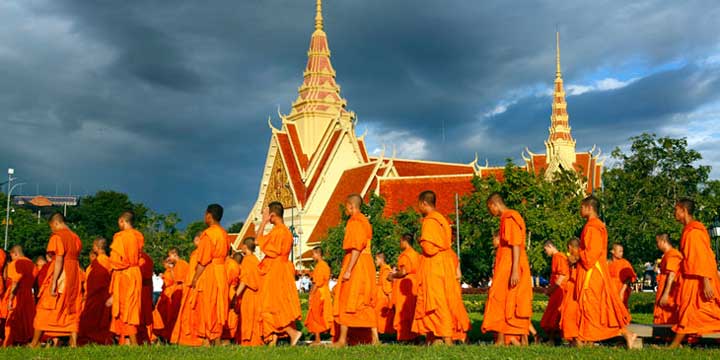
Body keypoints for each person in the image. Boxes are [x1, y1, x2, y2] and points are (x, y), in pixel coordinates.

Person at [575, 196, 636, 348]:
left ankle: (625, 333)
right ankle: (587, 339)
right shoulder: (594, 226)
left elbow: (591, 255)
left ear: (589, 208)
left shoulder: (593, 227)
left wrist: (577, 254)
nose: (580, 210)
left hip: (592, 273)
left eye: (582, 207)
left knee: (592, 306)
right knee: (594, 307)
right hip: (594, 272)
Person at [413, 190, 469, 345]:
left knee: (437, 303)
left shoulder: (430, 221)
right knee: (441, 300)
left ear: (424, 203)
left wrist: (422, 242)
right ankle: (436, 337)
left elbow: (430, 249)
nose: (418, 208)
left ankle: (447, 338)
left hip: (435, 265)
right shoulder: (442, 220)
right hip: (445, 264)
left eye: (418, 204)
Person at [482, 193, 532, 346]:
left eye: (489, 208)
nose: (490, 212)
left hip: (511, 265)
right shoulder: (506, 218)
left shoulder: (510, 217)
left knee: (509, 300)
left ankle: (516, 339)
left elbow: (515, 244)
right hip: (506, 264)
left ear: (493, 205)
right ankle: (503, 338)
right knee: (503, 300)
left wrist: (515, 269)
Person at [670, 198, 720, 347]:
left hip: (698, 279)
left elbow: (702, 257)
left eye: (676, 210)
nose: (674, 213)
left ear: (683, 211)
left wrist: (706, 282)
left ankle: (673, 346)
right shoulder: (690, 230)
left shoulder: (694, 232)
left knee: (693, 312)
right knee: (700, 314)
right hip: (692, 277)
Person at [30, 212, 83, 348]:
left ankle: (34, 343)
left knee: (45, 307)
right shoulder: (75, 237)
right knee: (70, 308)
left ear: (55, 223)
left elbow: (59, 259)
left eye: (51, 227)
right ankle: (74, 343)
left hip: (62, 274)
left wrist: (54, 282)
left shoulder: (57, 236)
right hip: (74, 274)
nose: (51, 230)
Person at [333, 195, 379, 347]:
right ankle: (374, 339)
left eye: (347, 207)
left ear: (351, 206)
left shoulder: (356, 222)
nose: (346, 210)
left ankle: (342, 340)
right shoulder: (365, 221)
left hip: (357, 264)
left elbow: (357, 247)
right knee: (365, 301)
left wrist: (348, 270)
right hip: (366, 264)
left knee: (348, 299)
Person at [257, 201, 302, 346]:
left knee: (271, 305)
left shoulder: (278, 232)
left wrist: (263, 222)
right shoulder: (285, 231)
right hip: (282, 268)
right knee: (278, 303)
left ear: (272, 215)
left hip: (276, 270)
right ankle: (273, 341)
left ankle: (292, 333)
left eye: (267, 216)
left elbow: (258, 240)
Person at [188, 204, 229, 346]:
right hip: (221, 272)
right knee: (218, 305)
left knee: (207, 305)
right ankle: (213, 339)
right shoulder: (224, 234)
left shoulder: (208, 234)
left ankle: (210, 339)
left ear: (209, 215)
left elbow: (203, 261)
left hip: (210, 272)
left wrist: (195, 278)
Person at [107, 210, 144, 346]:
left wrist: (111, 266)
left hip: (125, 274)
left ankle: (134, 344)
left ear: (122, 221)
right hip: (135, 273)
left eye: (119, 222)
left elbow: (117, 260)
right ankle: (126, 343)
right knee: (132, 307)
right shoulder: (138, 236)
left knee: (125, 309)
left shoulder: (121, 237)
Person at [78, 238, 113, 345]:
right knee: (102, 320)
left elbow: (96, 281)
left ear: (96, 247)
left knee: (90, 319)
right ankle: (101, 340)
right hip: (106, 295)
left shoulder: (99, 262)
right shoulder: (109, 261)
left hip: (96, 295)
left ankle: (92, 340)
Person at [171, 236, 203, 346]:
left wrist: (192, 281)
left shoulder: (197, 254)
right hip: (192, 285)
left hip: (192, 286)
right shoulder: (197, 254)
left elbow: (180, 279)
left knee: (190, 314)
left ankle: (192, 339)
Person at [388, 233, 420, 342]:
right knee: (413, 310)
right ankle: (415, 335)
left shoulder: (406, 255)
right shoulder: (416, 254)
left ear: (404, 241)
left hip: (406, 284)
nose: (399, 244)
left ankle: (406, 337)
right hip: (415, 284)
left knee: (404, 310)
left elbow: (403, 272)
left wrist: (392, 275)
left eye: (400, 241)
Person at [3, 245, 35, 346]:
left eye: (12, 256)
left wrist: (11, 298)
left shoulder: (15, 263)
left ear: (15, 253)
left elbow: (15, 282)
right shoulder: (31, 264)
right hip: (29, 295)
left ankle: (9, 342)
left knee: (13, 319)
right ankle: (25, 341)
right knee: (26, 319)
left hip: (17, 294)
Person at [235, 237, 263, 346]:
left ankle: (249, 341)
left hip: (249, 293)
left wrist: (236, 294)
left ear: (245, 247)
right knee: (255, 318)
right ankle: (256, 340)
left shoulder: (247, 260)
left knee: (248, 317)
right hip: (257, 294)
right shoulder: (256, 260)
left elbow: (245, 280)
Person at [540, 241, 569, 344]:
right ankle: (555, 339)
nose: (545, 252)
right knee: (554, 314)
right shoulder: (558, 257)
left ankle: (552, 339)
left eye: (545, 249)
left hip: (559, 290)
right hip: (557, 289)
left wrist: (551, 289)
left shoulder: (558, 257)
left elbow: (562, 275)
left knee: (553, 315)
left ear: (550, 246)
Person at [304, 246, 333, 346]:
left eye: (313, 254)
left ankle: (317, 339)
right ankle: (333, 335)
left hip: (319, 293)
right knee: (324, 315)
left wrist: (311, 295)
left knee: (315, 315)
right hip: (325, 292)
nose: (312, 257)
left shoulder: (320, 266)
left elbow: (317, 283)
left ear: (318, 254)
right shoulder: (325, 265)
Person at [654, 233, 683, 325]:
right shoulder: (667, 255)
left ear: (663, 241)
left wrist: (666, 294)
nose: (657, 245)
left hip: (671, 292)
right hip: (664, 288)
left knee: (669, 315)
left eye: (657, 242)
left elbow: (672, 274)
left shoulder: (673, 254)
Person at [560, 238, 581, 345]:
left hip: (575, 289)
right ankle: (575, 340)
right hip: (574, 288)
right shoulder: (579, 256)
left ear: (570, 247)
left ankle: (576, 339)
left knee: (570, 314)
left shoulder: (579, 256)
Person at [608, 243, 637, 310]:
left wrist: (622, 291)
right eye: (620, 251)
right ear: (612, 251)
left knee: (621, 310)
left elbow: (629, 278)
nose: (622, 253)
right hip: (610, 290)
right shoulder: (607, 263)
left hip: (621, 289)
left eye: (622, 251)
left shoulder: (625, 263)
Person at [222, 250, 241, 344]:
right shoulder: (227, 263)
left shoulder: (231, 264)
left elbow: (229, 279)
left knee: (230, 314)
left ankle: (229, 338)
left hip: (230, 290)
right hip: (228, 289)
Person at [136, 252, 155, 344]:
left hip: (141, 291)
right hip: (144, 291)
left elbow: (144, 276)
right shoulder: (144, 258)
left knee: (139, 318)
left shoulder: (143, 259)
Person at [374, 252, 395, 336]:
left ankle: (384, 334)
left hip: (383, 298)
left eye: (376, 259)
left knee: (382, 316)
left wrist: (390, 301)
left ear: (381, 259)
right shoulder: (383, 269)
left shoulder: (386, 270)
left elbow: (388, 287)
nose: (375, 262)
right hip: (380, 297)